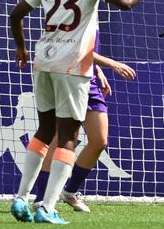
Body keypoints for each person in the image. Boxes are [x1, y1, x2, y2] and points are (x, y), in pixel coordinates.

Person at [9, 0, 158, 225]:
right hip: (72, 65)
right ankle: (47, 207)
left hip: (43, 62)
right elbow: (126, 2)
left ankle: (21, 198)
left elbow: (16, 14)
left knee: (45, 130)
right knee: (68, 137)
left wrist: (21, 48)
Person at [31, 36, 136, 214]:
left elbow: (87, 48)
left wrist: (97, 69)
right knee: (61, 139)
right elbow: (75, 48)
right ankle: (41, 198)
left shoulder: (93, 20)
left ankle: (69, 191)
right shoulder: (71, 18)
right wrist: (112, 64)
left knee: (99, 141)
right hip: (69, 77)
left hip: (90, 80)